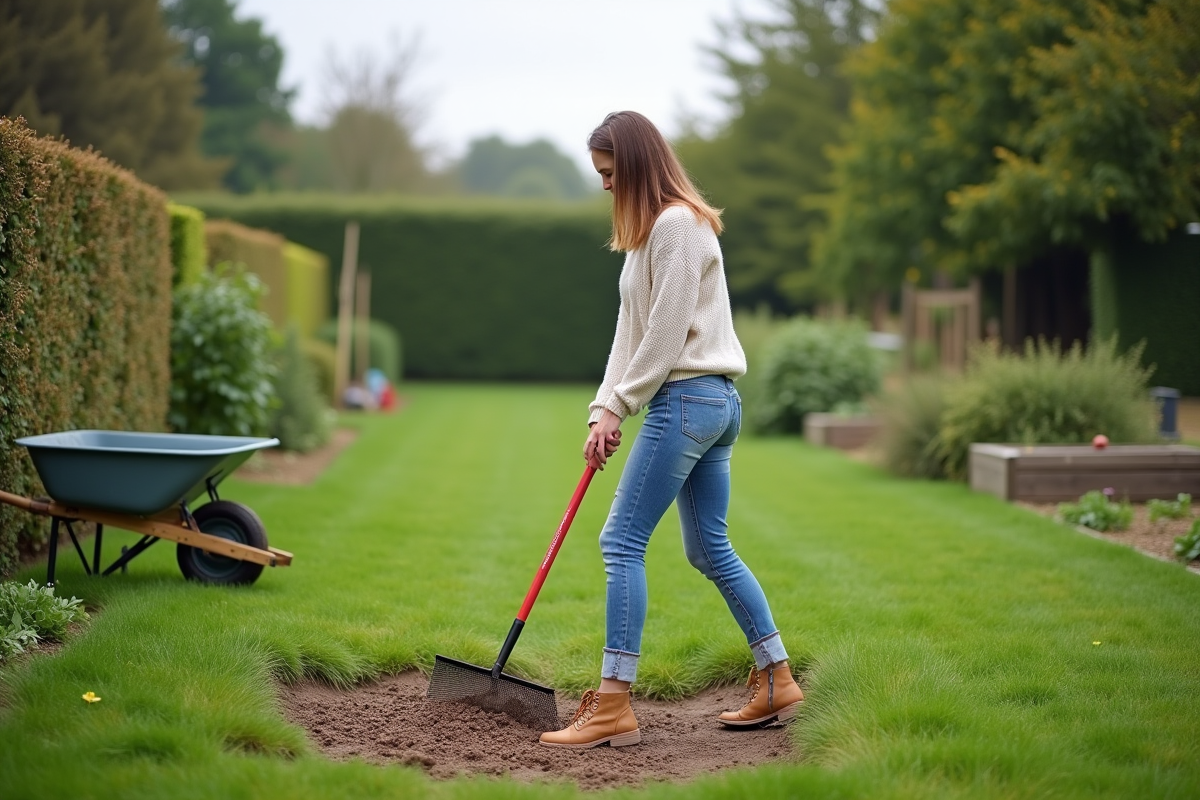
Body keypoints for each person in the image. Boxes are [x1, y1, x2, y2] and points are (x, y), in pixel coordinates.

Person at [539, 111, 802, 750]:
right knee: (707, 548)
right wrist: (605, 406)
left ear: (633, 165)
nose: (603, 185)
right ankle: (777, 677)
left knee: (620, 542)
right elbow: (629, 334)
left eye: (608, 173)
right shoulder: (650, 234)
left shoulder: (679, 226)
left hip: (687, 401)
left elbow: (666, 333)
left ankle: (611, 703)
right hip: (706, 404)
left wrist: (624, 405)